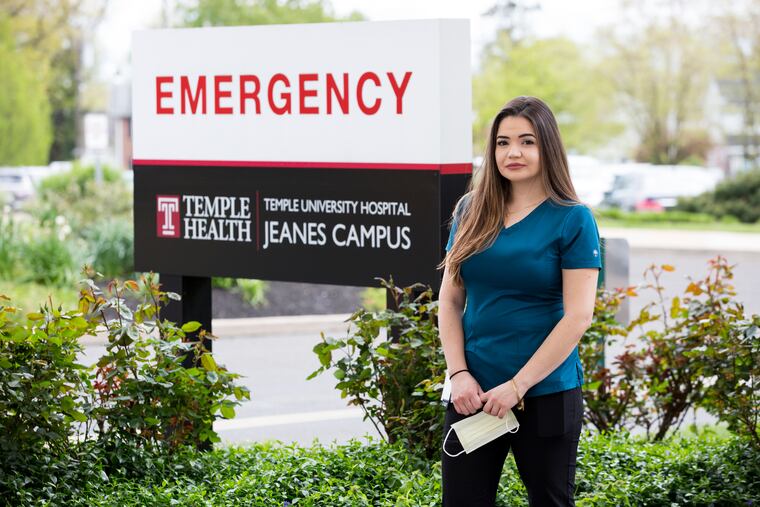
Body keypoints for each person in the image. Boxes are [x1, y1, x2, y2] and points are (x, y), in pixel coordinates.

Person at [437, 96, 601, 506]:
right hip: (472, 392)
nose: (513, 152)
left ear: (548, 148)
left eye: (527, 141)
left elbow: (578, 316)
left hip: (545, 395)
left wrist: (517, 386)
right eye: (502, 142)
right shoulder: (471, 210)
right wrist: (458, 374)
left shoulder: (572, 218)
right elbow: (450, 300)